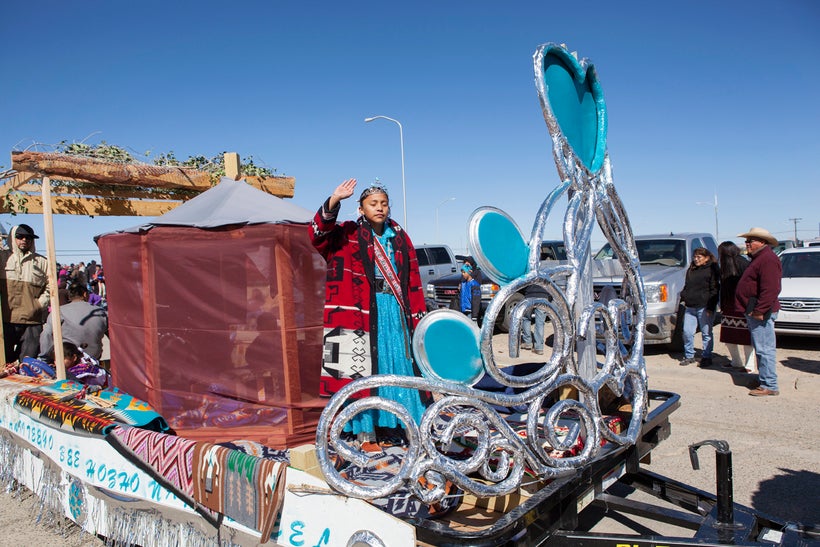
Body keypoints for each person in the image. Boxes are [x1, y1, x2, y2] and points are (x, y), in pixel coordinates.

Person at [309, 178, 428, 445]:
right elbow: (317, 235)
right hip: (360, 312)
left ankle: (403, 423)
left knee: (400, 364)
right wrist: (334, 200)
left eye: (384, 203)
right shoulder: (348, 233)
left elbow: (411, 279)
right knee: (363, 368)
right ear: (361, 209)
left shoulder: (399, 236)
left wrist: (416, 315)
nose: (380, 208)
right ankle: (366, 431)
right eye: (373, 204)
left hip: (394, 312)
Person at [736, 227, 782, 396]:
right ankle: (764, 378)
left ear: (762, 242)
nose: (747, 244)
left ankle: (769, 385)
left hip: (760, 311)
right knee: (761, 347)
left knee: (764, 349)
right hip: (755, 310)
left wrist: (760, 310)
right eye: (747, 241)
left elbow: (771, 289)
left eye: (750, 241)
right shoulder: (759, 258)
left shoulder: (767, 260)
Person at [0, 224, 51, 362]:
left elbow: (50, 287)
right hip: (5, 320)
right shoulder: (2, 258)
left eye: (28, 237)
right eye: (20, 236)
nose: (24, 240)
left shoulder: (42, 262)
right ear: (12, 238)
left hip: (32, 321)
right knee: (4, 363)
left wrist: (38, 305)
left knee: (28, 363)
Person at [40, 282, 108, 361]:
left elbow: (46, 334)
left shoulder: (59, 311)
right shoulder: (100, 312)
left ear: (69, 296)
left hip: (68, 360)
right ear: (85, 294)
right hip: (93, 359)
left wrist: (45, 358)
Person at [717, 241, 755, 372]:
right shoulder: (725, 266)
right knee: (729, 336)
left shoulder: (743, 264)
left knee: (745, 337)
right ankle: (736, 361)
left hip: (742, 305)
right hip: (729, 305)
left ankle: (749, 365)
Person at [679, 247, 720, 367]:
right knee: (687, 332)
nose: (696, 259)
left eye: (699, 257)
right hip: (690, 306)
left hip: (704, 306)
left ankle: (707, 356)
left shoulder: (711, 269)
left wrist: (710, 307)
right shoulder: (691, 269)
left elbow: (714, 289)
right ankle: (689, 355)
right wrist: (684, 297)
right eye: (695, 257)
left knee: (706, 332)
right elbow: (687, 285)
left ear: (706, 258)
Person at [521, 284, 548, 355]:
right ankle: (539, 348)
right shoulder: (545, 272)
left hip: (529, 295)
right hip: (543, 296)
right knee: (540, 323)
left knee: (526, 318)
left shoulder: (528, 272)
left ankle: (527, 342)